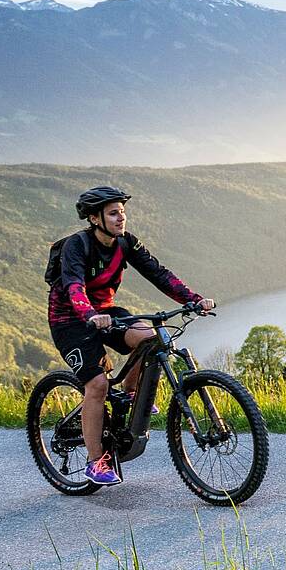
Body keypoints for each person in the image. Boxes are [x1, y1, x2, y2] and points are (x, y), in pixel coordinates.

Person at [48, 186, 216, 485]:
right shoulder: (77, 245)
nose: (120, 218)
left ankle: (129, 392)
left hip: (106, 311)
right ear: (94, 217)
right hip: (71, 319)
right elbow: (74, 286)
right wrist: (89, 315)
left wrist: (193, 299)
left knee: (150, 338)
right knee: (97, 384)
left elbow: (159, 273)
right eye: (113, 213)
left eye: (122, 212)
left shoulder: (126, 243)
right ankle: (95, 461)